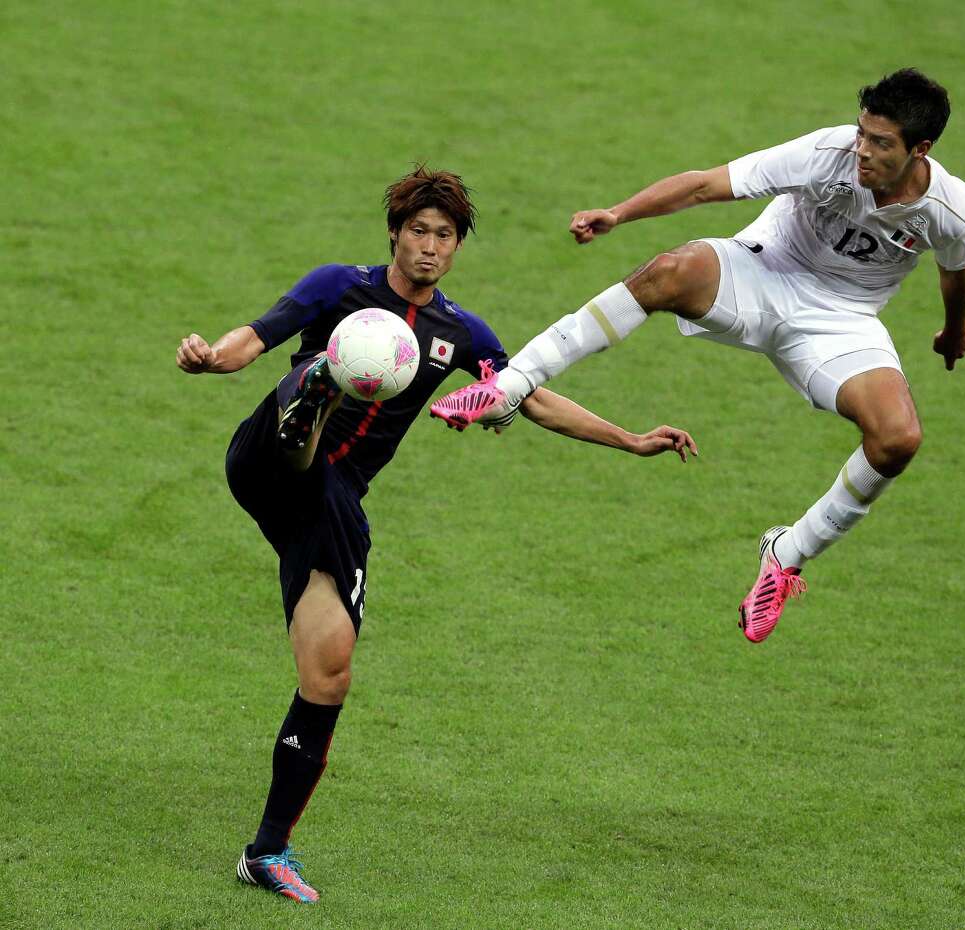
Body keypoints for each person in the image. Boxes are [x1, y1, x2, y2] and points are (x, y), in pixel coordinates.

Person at [175, 166, 697, 904]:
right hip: (266, 458)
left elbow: (532, 397)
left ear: (456, 248)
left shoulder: (460, 332)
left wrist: (631, 439)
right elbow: (254, 339)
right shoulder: (337, 287)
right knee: (310, 395)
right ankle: (319, 394)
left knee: (329, 674)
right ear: (394, 233)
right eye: (417, 231)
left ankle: (267, 852)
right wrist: (211, 359)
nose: (428, 247)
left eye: (443, 236)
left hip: (329, 506)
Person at [430, 69, 965, 643]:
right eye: (862, 133)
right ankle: (510, 385)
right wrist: (619, 213)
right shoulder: (827, 153)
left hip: (840, 320)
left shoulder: (955, 209)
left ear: (921, 149)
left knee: (898, 438)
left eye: (880, 144)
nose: (862, 151)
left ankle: (787, 553)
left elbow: (955, 273)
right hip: (765, 269)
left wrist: (951, 331)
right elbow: (704, 186)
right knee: (669, 272)